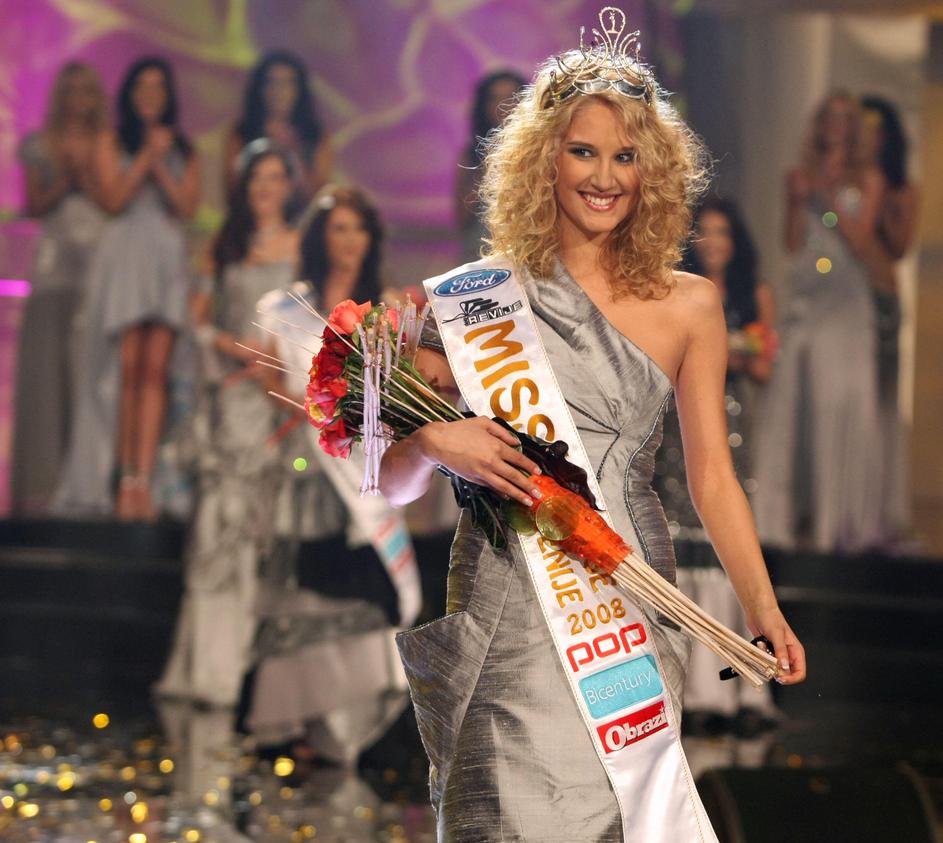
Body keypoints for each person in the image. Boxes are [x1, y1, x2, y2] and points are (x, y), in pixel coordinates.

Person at [379, 10, 805, 839]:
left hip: (626, 588)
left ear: (654, 172)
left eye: (625, 156)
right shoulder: (473, 298)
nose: (604, 176)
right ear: (543, 158)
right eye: (583, 151)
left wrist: (762, 606)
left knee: (614, 811)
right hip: (507, 587)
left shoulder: (689, 305)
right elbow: (390, 483)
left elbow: (713, 477)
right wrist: (432, 442)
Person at [246, 185, 420, 767]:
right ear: (320, 237)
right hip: (306, 468)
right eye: (338, 228)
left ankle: (346, 727)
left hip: (363, 470)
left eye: (359, 229)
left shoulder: (385, 309)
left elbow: (402, 391)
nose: (349, 240)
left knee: (362, 588)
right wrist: (310, 408)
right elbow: (270, 380)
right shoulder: (285, 307)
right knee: (306, 584)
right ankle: (298, 717)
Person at [155, 147, 300, 707]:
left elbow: (309, 325)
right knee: (219, 526)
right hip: (234, 396)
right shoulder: (223, 244)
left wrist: (280, 366)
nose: (265, 186)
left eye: (275, 176)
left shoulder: (301, 246)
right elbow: (196, 320)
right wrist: (236, 349)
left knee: (266, 529)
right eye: (256, 176)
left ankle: (248, 674)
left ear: (289, 184)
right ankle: (205, 668)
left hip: (282, 401)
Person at [53, 57, 201, 520]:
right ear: (131, 94)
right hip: (126, 255)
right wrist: (147, 158)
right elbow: (113, 199)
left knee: (156, 371)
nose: (150, 95)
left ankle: (145, 478)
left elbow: (187, 208)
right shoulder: (111, 140)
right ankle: (123, 478)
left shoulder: (185, 148)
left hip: (165, 257)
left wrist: (163, 162)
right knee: (128, 369)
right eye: (143, 86)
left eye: (159, 87)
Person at [656, 195, 778, 733]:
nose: (714, 242)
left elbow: (765, 368)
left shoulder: (753, 294)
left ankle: (731, 687)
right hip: (678, 415)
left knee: (723, 526)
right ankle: (689, 686)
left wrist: (734, 348)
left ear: (736, 242)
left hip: (729, 413)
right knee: (680, 530)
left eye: (724, 232)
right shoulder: (674, 289)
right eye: (705, 232)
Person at [752, 91, 885, 553]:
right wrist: (795, 202)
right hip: (806, 292)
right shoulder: (799, 174)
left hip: (845, 297)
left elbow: (860, 241)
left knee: (837, 400)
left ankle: (837, 522)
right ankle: (783, 517)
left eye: (845, 119)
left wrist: (826, 198)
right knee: (791, 398)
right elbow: (791, 244)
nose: (836, 126)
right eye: (830, 117)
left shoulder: (868, 178)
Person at [11, 62, 109, 515]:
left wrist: (88, 176)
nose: (77, 99)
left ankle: (88, 486)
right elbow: (32, 204)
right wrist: (66, 178)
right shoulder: (41, 143)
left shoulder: (107, 143)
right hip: (53, 269)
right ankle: (40, 488)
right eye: (69, 90)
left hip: (97, 267)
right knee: (45, 375)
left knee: (89, 376)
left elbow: (114, 201)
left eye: (85, 90)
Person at [858, 95, 919, 546]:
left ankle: (880, 507)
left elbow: (900, 247)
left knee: (880, 401)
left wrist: (878, 208)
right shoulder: (844, 179)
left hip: (880, 297)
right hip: (842, 297)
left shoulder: (903, 189)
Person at [226, 50, 332, 205]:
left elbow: (320, 198)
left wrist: (291, 149)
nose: (279, 91)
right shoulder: (242, 133)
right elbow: (233, 192)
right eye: (272, 82)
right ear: (260, 89)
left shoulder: (315, 135)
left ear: (299, 90)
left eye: (288, 83)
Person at [455, 69, 526, 262]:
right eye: (495, 98)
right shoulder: (471, 155)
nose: (503, 106)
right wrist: (487, 167)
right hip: (479, 254)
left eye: (511, 98)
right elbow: (462, 217)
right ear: (484, 105)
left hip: (526, 252)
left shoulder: (542, 152)